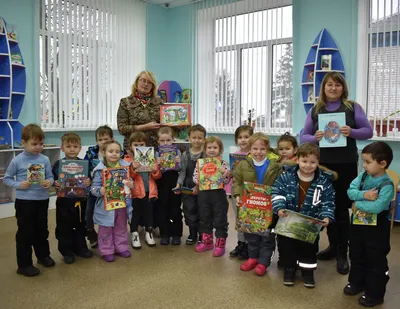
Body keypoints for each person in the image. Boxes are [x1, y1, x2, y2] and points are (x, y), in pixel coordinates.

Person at [300, 71, 373, 275]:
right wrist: (314, 137)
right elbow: (302, 136)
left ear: (343, 88)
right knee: (326, 207)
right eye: (329, 84)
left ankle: (343, 252)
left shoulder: (352, 107)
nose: (333, 88)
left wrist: (352, 132)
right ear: (323, 87)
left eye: (337, 85)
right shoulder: (316, 109)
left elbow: (368, 131)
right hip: (322, 166)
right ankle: (333, 246)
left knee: (341, 209)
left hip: (346, 164)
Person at [272, 143, 336, 288]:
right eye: (304, 161)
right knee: (287, 247)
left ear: (318, 162)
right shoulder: (286, 176)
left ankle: (308, 272)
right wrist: (279, 208)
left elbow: (328, 201)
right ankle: (289, 270)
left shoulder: (324, 181)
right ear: (297, 160)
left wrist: (326, 216)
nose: (308, 165)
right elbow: (277, 192)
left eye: (313, 162)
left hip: (310, 225)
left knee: (309, 249)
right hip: (288, 222)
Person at [344, 142, 394, 307]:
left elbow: (378, 206)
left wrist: (358, 204)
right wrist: (364, 195)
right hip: (358, 225)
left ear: (382, 164)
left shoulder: (387, 185)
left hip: (377, 228)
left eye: (367, 162)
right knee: (357, 254)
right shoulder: (363, 177)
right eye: (363, 161)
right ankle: (356, 283)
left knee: (375, 259)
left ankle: (375, 293)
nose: (364, 165)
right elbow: (350, 192)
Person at [4, 124, 55, 277]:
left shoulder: (44, 159)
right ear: (24, 143)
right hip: (24, 202)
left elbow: (50, 177)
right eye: (34, 144)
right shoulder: (17, 161)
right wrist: (18, 185)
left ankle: (43, 256)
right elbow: (6, 179)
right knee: (26, 233)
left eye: (41, 144)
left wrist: (49, 182)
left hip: (42, 200)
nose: (38, 147)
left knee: (42, 230)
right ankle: (24, 264)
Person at [233, 133, 281, 276]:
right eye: (255, 148)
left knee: (267, 236)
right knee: (251, 235)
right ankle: (252, 258)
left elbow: (279, 185)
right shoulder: (242, 164)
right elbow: (237, 182)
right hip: (249, 207)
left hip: (267, 207)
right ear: (249, 149)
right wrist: (237, 195)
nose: (258, 152)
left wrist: (277, 200)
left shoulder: (275, 166)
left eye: (262, 149)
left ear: (267, 149)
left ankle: (263, 262)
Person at [52, 133, 93, 264]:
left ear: (80, 148)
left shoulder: (85, 163)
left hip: (80, 201)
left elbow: (91, 178)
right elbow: (52, 179)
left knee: (80, 224)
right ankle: (67, 251)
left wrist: (89, 182)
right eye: (68, 146)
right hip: (64, 201)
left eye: (75, 146)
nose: (72, 149)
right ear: (62, 148)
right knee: (64, 226)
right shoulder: (58, 164)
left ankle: (81, 247)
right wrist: (55, 183)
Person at [91, 141, 133, 262]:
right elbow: (93, 188)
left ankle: (122, 247)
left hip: (121, 204)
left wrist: (130, 184)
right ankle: (107, 250)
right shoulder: (99, 170)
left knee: (121, 226)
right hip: (106, 206)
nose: (114, 154)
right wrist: (100, 190)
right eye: (110, 151)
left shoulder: (124, 167)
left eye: (117, 151)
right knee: (106, 228)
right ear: (104, 152)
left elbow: (130, 182)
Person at [193, 136, 232, 257]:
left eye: (215, 147)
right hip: (204, 195)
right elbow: (195, 177)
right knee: (204, 218)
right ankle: (207, 242)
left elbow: (226, 181)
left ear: (220, 150)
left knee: (220, 219)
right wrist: (198, 179)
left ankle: (220, 245)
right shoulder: (200, 163)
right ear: (205, 149)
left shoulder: (223, 163)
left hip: (218, 196)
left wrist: (224, 172)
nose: (212, 150)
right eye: (209, 147)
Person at [126, 132, 161, 249]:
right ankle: (134, 234)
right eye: (136, 145)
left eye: (142, 144)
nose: (139, 147)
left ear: (146, 145)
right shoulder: (129, 161)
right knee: (135, 214)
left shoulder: (152, 158)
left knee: (149, 213)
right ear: (130, 146)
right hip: (136, 192)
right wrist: (133, 168)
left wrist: (154, 170)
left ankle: (148, 233)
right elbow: (128, 177)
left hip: (149, 191)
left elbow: (157, 177)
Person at [176, 124, 207, 245]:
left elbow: (207, 174)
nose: (197, 140)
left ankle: (202, 234)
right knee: (189, 210)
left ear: (204, 139)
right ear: (189, 138)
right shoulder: (185, 155)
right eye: (194, 137)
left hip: (202, 186)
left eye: (200, 138)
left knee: (202, 211)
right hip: (187, 186)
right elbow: (182, 172)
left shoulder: (206, 154)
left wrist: (198, 186)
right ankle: (192, 233)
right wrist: (179, 184)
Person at [117, 70, 163, 150]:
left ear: (153, 86)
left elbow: (166, 123)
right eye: (143, 80)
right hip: (132, 148)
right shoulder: (125, 102)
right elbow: (122, 129)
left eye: (149, 82)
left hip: (154, 147)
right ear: (136, 82)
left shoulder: (159, 102)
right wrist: (145, 127)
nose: (146, 84)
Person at [84, 125, 114, 248]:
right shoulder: (91, 154)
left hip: (110, 190)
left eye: (106, 139)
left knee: (110, 213)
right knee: (88, 212)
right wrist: (87, 180)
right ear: (96, 141)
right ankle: (91, 233)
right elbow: (84, 168)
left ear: (111, 139)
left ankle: (110, 235)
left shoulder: (116, 152)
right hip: (93, 189)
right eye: (100, 140)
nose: (103, 142)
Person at [228, 125, 254, 260]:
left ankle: (250, 245)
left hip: (250, 191)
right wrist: (228, 172)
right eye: (240, 137)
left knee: (248, 218)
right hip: (236, 190)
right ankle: (241, 243)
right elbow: (232, 174)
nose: (243, 140)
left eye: (246, 137)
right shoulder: (235, 155)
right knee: (239, 218)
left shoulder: (256, 154)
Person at [156, 127, 183, 245]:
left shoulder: (177, 152)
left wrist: (178, 162)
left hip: (174, 181)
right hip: (161, 183)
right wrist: (157, 165)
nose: (165, 143)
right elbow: (155, 173)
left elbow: (181, 169)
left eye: (168, 140)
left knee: (175, 208)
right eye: (162, 141)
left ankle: (176, 234)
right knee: (162, 208)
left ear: (173, 140)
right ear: (158, 141)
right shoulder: (156, 153)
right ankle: (165, 234)